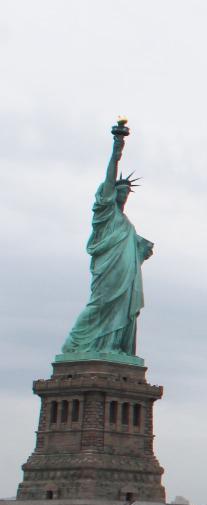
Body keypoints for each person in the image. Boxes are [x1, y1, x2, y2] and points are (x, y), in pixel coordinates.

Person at [59, 119, 155, 362]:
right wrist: (117, 147)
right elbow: (110, 177)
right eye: (118, 190)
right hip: (108, 271)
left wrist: (142, 248)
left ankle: (113, 347)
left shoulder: (126, 223)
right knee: (101, 303)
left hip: (126, 274)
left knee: (121, 308)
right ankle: (75, 344)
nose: (122, 194)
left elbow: (133, 248)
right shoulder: (105, 212)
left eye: (125, 192)